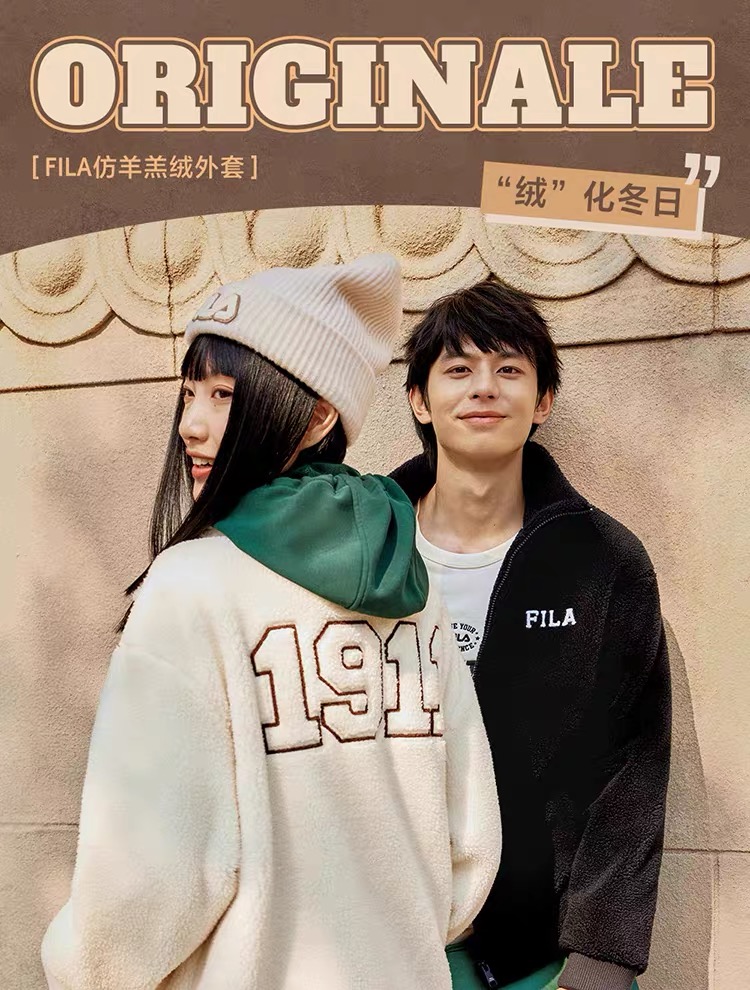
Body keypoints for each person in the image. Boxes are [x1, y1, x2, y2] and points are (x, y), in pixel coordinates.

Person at [41, 254, 501, 990]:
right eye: (189, 393)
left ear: (318, 414)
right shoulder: (410, 579)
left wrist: (81, 965)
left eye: (224, 395)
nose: (190, 424)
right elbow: (471, 839)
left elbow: (148, 875)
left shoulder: (192, 584)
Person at [391, 278, 671, 990]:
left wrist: (600, 964)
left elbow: (633, 764)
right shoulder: (364, 553)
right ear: (420, 399)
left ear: (543, 400)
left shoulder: (602, 560)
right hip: (390, 936)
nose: (484, 387)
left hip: (545, 957)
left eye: (509, 368)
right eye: (458, 368)